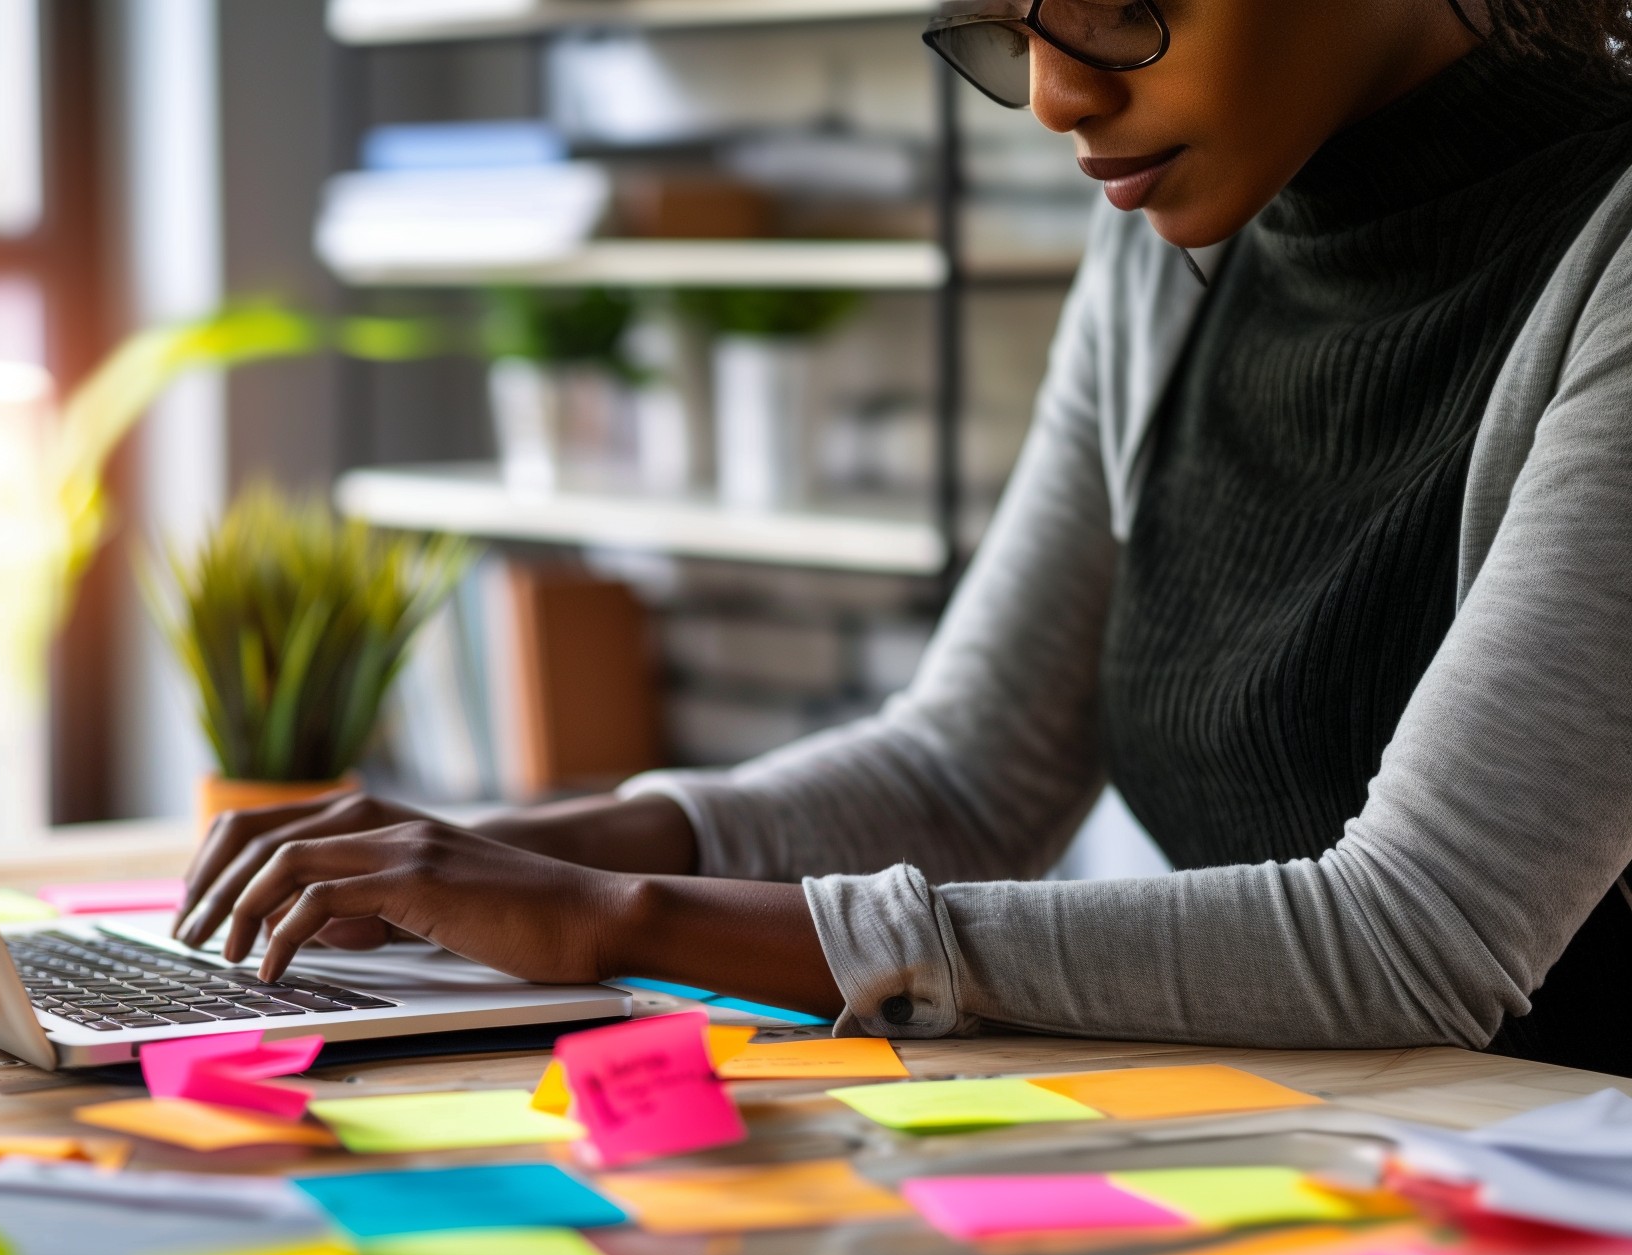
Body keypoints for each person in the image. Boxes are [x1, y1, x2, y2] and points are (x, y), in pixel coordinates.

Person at [177, 0, 1632, 1075]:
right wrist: (472, 860)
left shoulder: (1606, 264)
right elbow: (968, 772)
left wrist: (613, 917)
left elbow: (1416, 935)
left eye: (1122, 12)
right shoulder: (1172, 246)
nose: (1056, 97)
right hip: (1308, 1166)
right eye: (1008, 26)